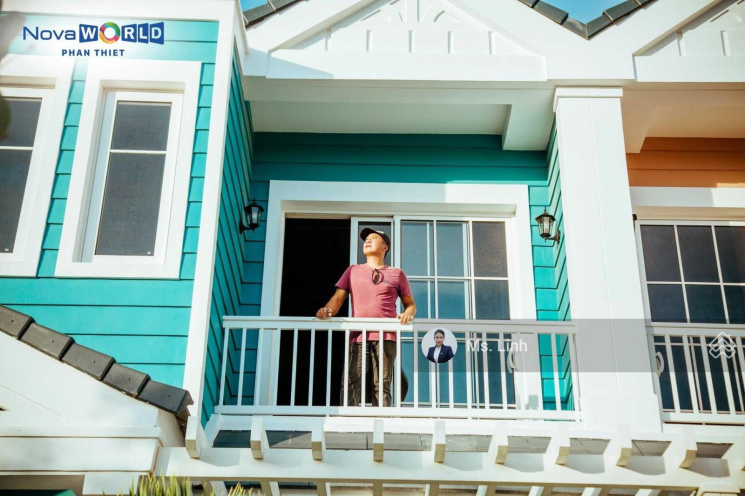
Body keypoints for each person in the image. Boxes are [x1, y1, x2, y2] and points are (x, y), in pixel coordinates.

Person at [316, 228, 416, 407]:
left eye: (373, 238)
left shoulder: (397, 273)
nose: (367, 241)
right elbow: (337, 299)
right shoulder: (353, 271)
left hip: (386, 336)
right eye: (366, 239)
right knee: (352, 379)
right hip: (358, 335)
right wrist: (327, 310)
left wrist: (407, 314)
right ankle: (349, 417)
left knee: (382, 382)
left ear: (385, 247)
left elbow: (410, 305)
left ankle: (382, 418)